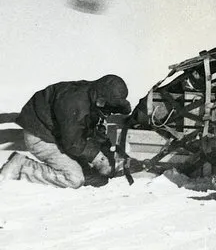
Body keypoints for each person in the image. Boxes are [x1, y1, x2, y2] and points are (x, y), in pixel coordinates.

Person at [0, 75, 131, 188]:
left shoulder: (92, 94)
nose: (108, 111)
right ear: (100, 98)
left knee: (94, 176)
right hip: (41, 137)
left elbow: (86, 130)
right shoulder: (76, 103)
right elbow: (73, 142)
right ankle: (20, 167)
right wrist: (100, 159)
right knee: (74, 178)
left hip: (58, 134)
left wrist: (104, 150)